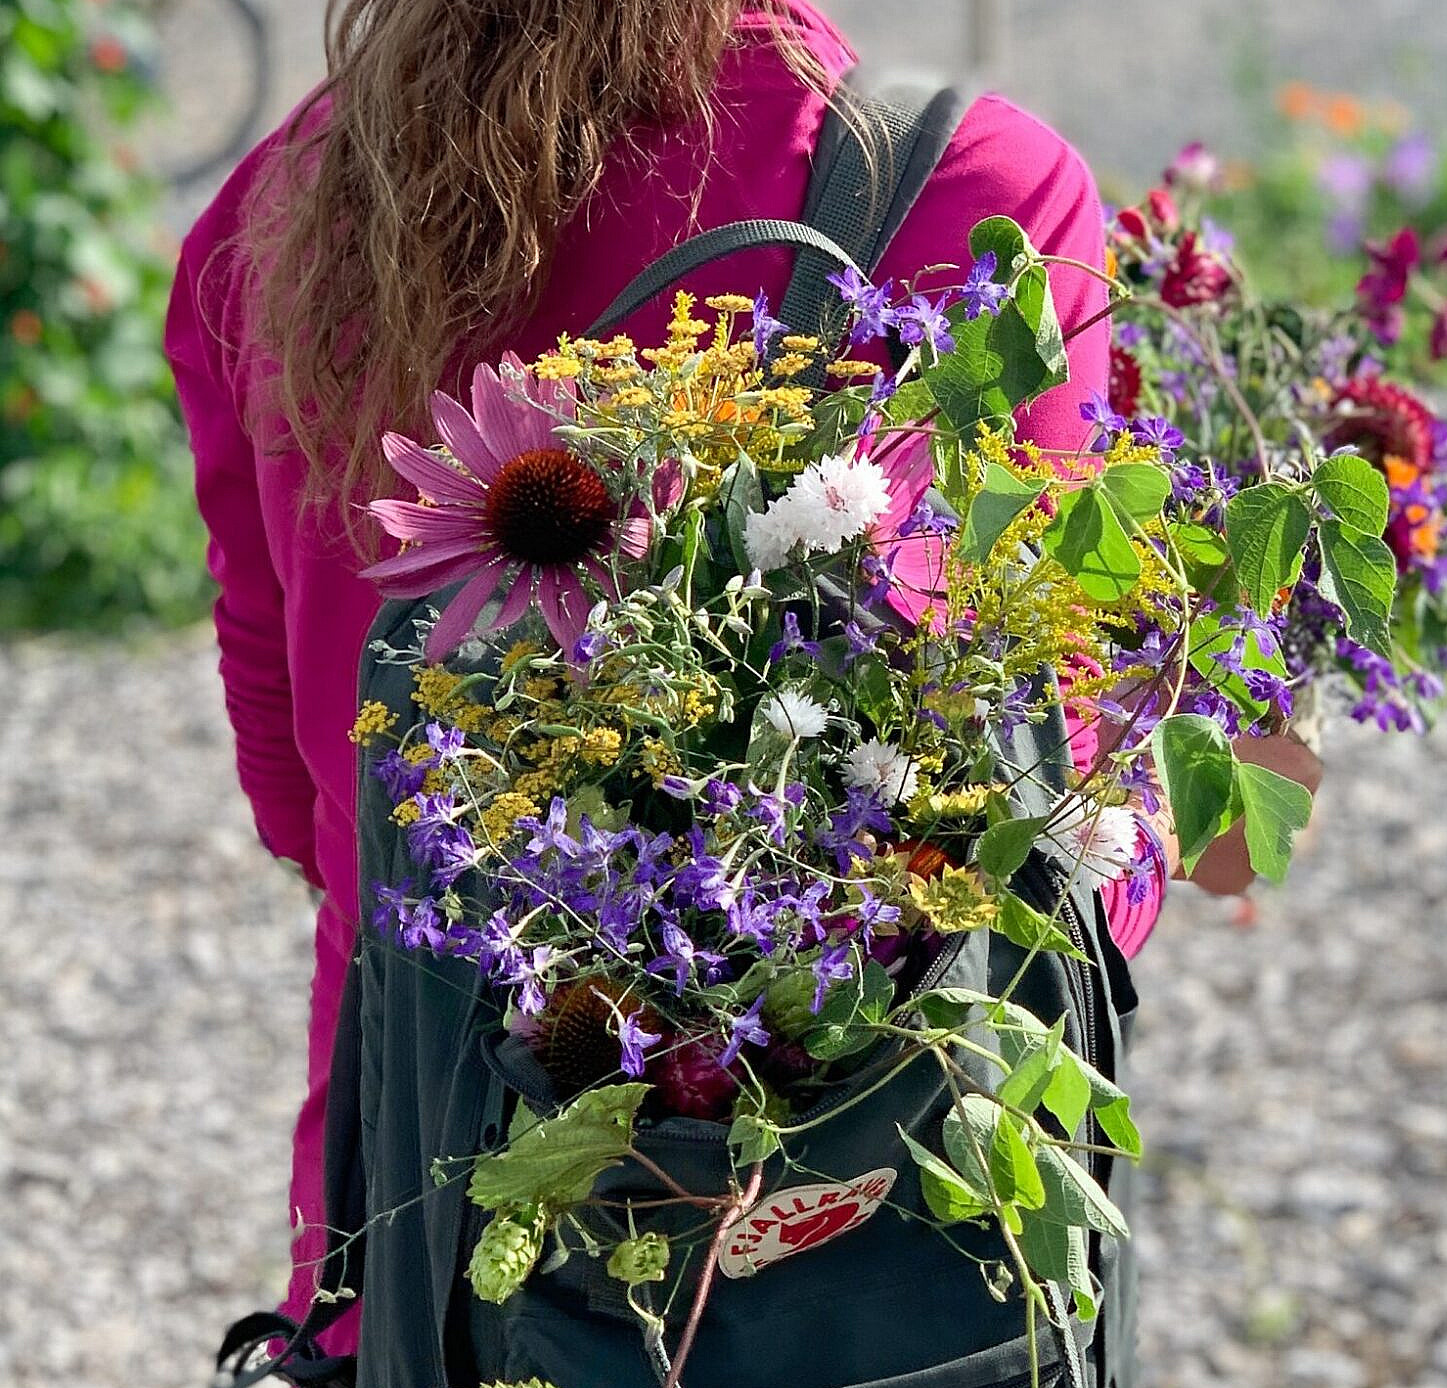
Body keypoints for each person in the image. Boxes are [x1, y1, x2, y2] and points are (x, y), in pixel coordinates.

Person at [166, 0, 1317, 1360]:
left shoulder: (277, 218)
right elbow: (1034, 883)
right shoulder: (972, 195)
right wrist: (1215, 788)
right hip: (866, 1287)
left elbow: (311, 808)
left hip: (426, 1253)